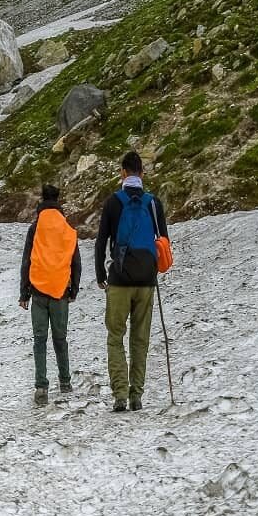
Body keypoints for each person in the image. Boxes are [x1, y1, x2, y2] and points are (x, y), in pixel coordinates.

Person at [94, 150, 169, 412]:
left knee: (115, 336)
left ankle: (120, 395)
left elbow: (102, 240)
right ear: (142, 173)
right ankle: (137, 394)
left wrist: (100, 274)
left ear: (123, 173)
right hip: (147, 280)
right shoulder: (153, 202)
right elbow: (163, 242)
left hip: (119, 278)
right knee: (140, 339)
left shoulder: (113, 202)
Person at [19, 184, 82, 405]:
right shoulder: (66, 227)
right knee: (60, 338)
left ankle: (41, 387)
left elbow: (27, 259)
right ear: (58, 201)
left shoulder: (35, 228)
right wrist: (74, 288)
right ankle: (65, 381)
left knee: (39, 340)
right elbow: (75, 260)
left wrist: (23, 291)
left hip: (37, 290)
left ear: (41, 201)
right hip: (60, 291)